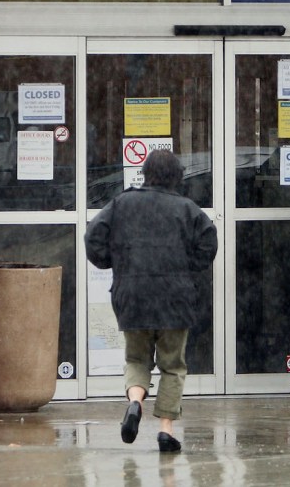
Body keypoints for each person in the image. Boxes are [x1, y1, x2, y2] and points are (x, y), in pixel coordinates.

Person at [84, 149, 218, 452]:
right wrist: (187, 266)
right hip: (175, 298)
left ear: (145, 173)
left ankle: (135, 402)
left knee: (136, 359)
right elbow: (209, 242)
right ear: (177, 177)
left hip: (132, 297)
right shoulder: (187, 209)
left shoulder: (122, 204)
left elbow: (93, 237)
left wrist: (114, 262)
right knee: (172, 366)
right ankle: (166, 430)